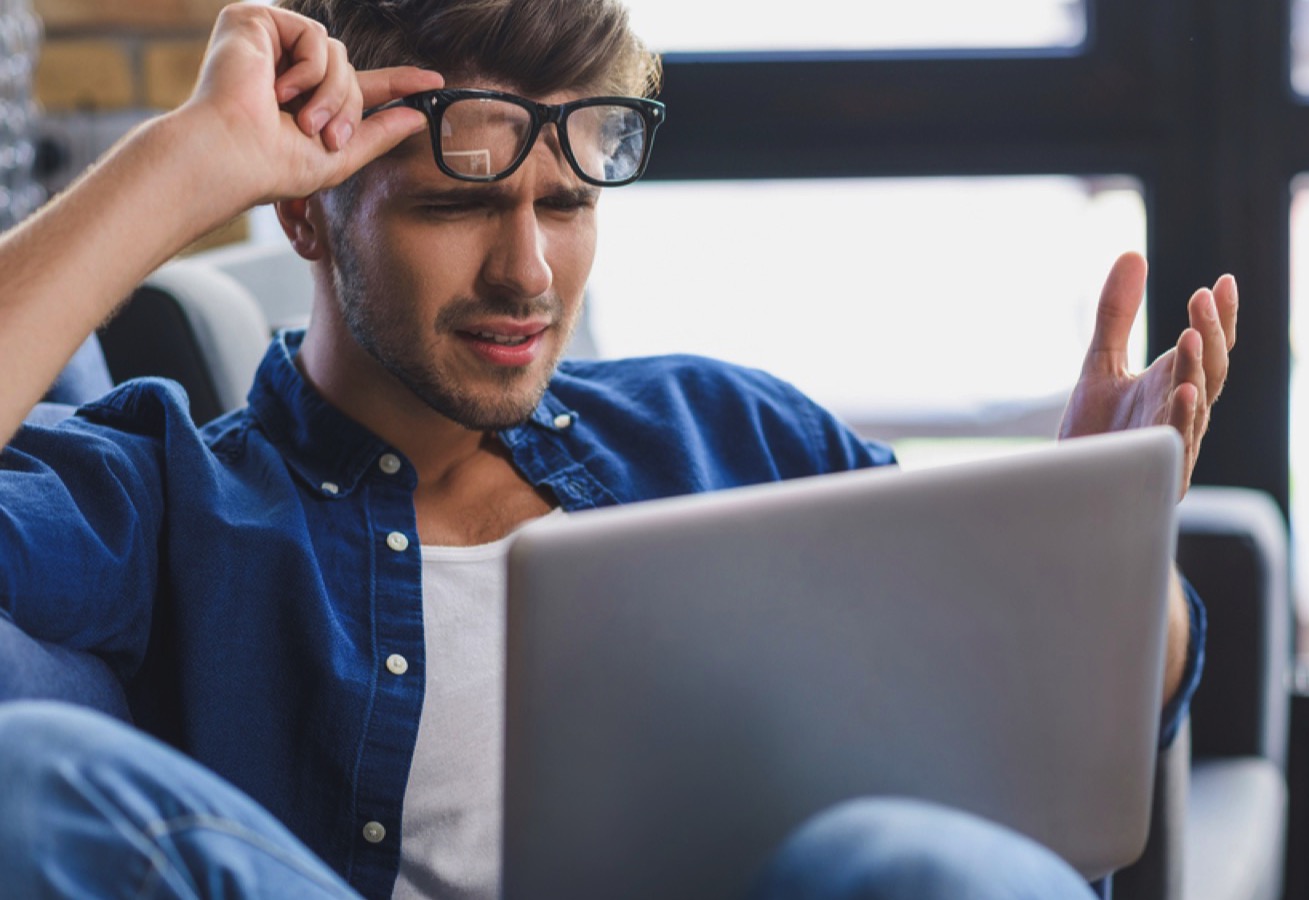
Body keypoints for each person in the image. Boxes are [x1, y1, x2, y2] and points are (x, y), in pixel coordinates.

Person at [0, 1, 1237, 897]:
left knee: (906, 863)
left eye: (567, 205)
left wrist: (1096, 541)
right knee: (34, 772)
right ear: (310, 214)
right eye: (459, 202)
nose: (529, 275)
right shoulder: (171, 489)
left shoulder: (725, 429)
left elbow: (1127, 710)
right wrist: (182, 165)